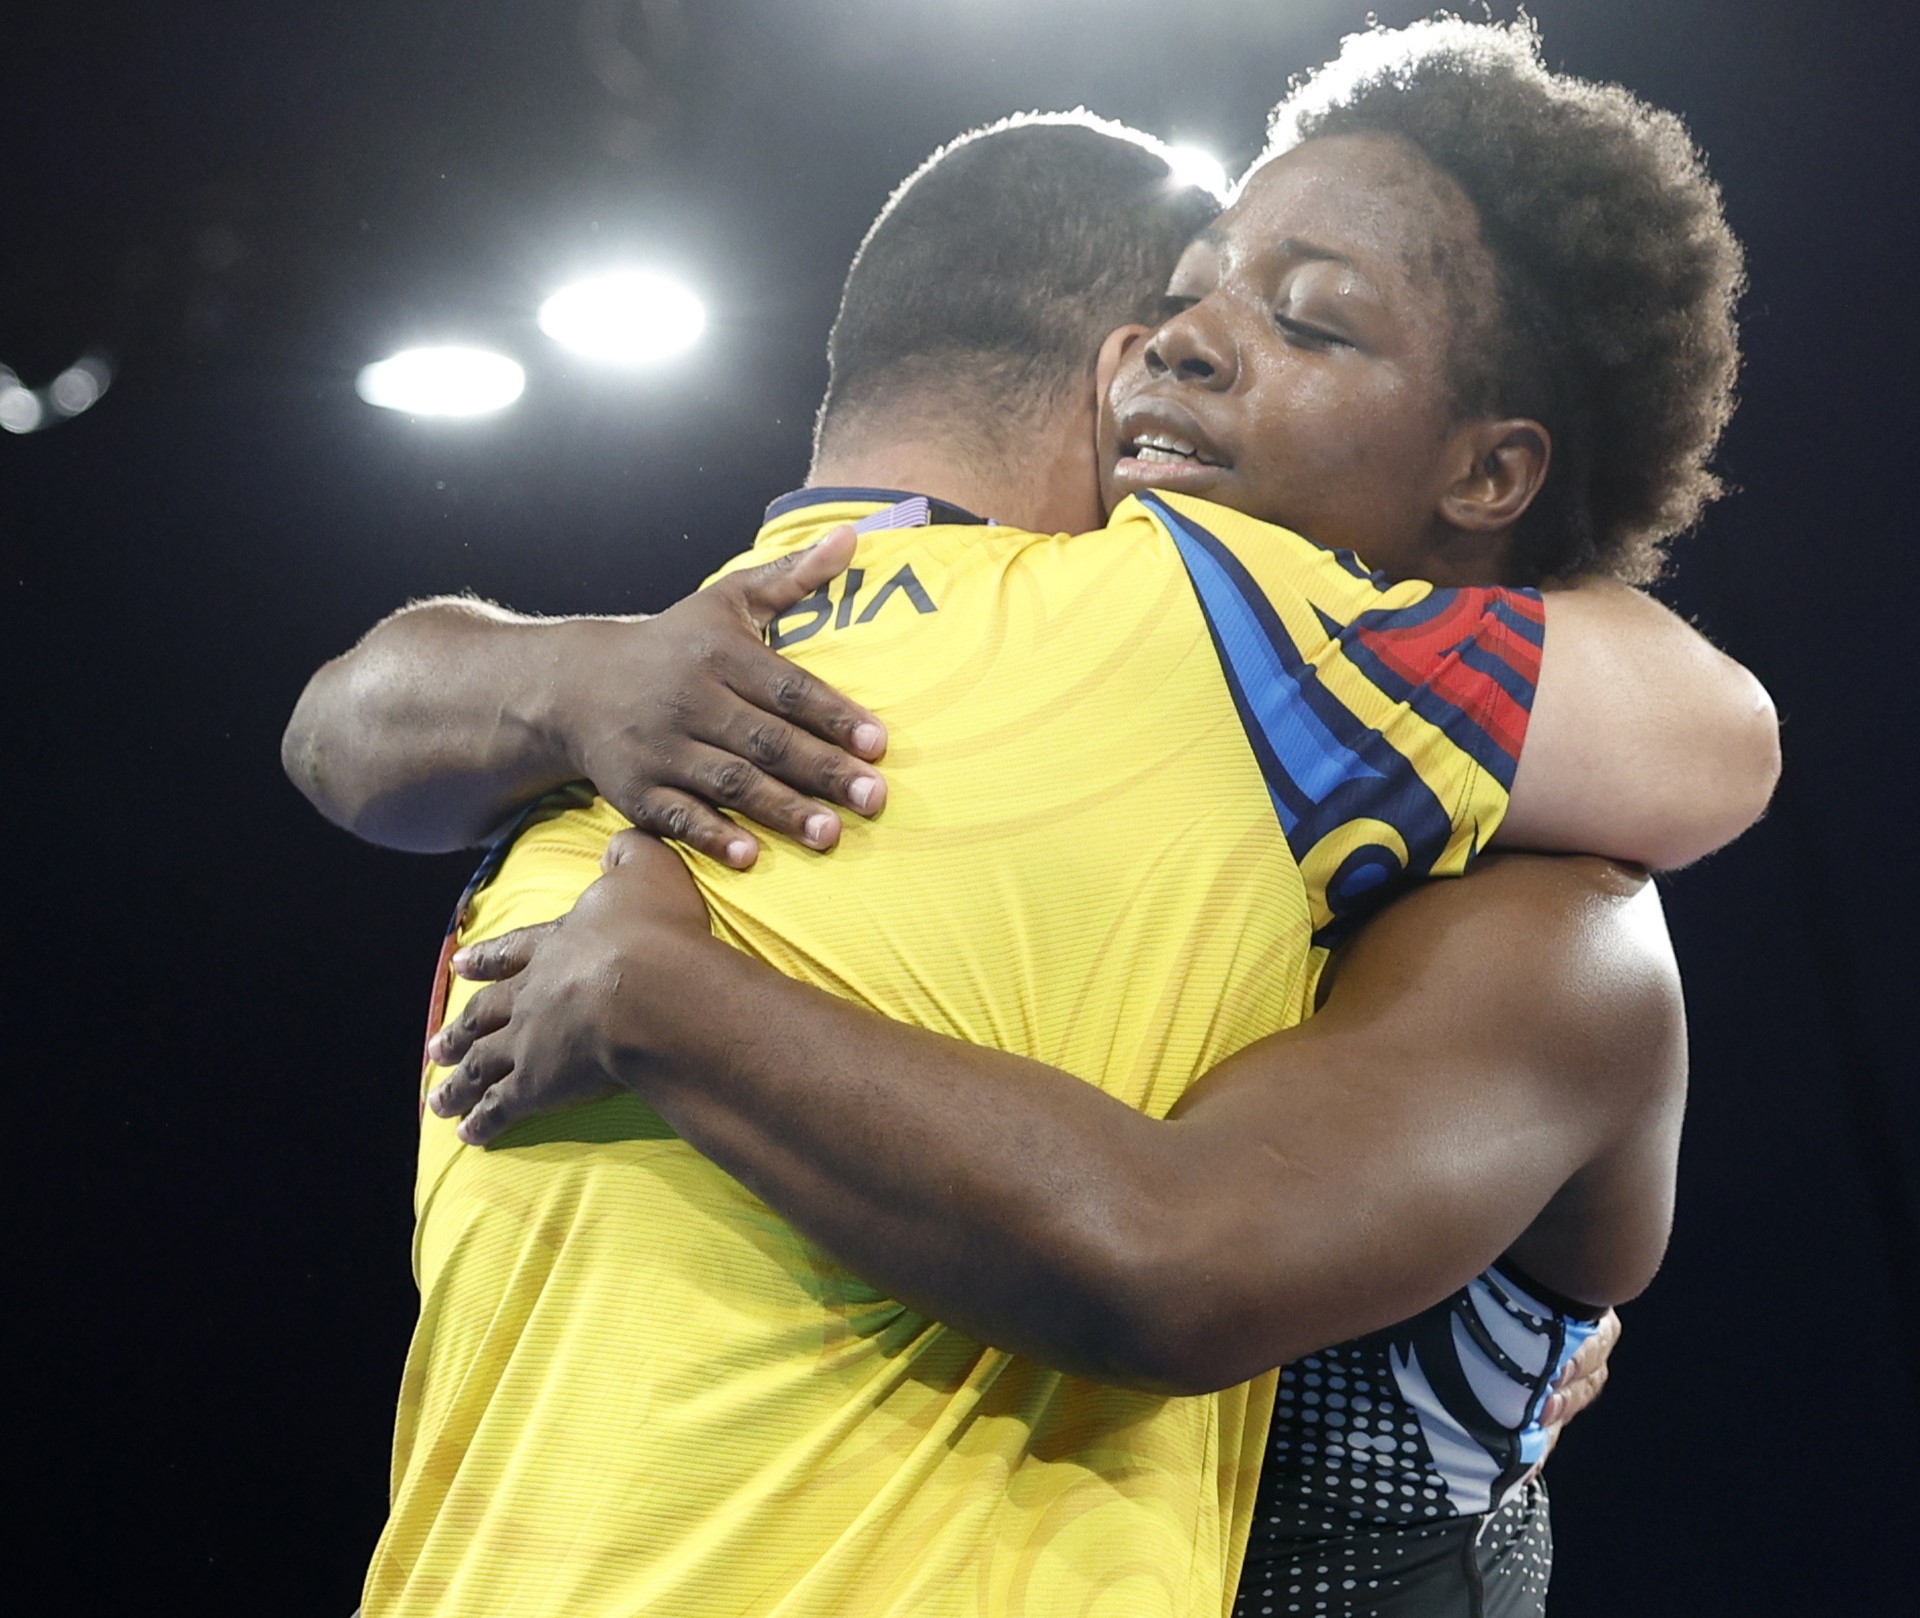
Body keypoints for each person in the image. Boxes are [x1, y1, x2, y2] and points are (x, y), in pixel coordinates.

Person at [291, 20, 1764, 1618]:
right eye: (1192, 293)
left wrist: (667, 998)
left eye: (1310, 324)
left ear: (1488, 472)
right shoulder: (1055, 720)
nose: (1183, 345)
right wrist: (569, 673)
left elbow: (1173, 1258)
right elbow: (350, 715)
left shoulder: (1538, 906)